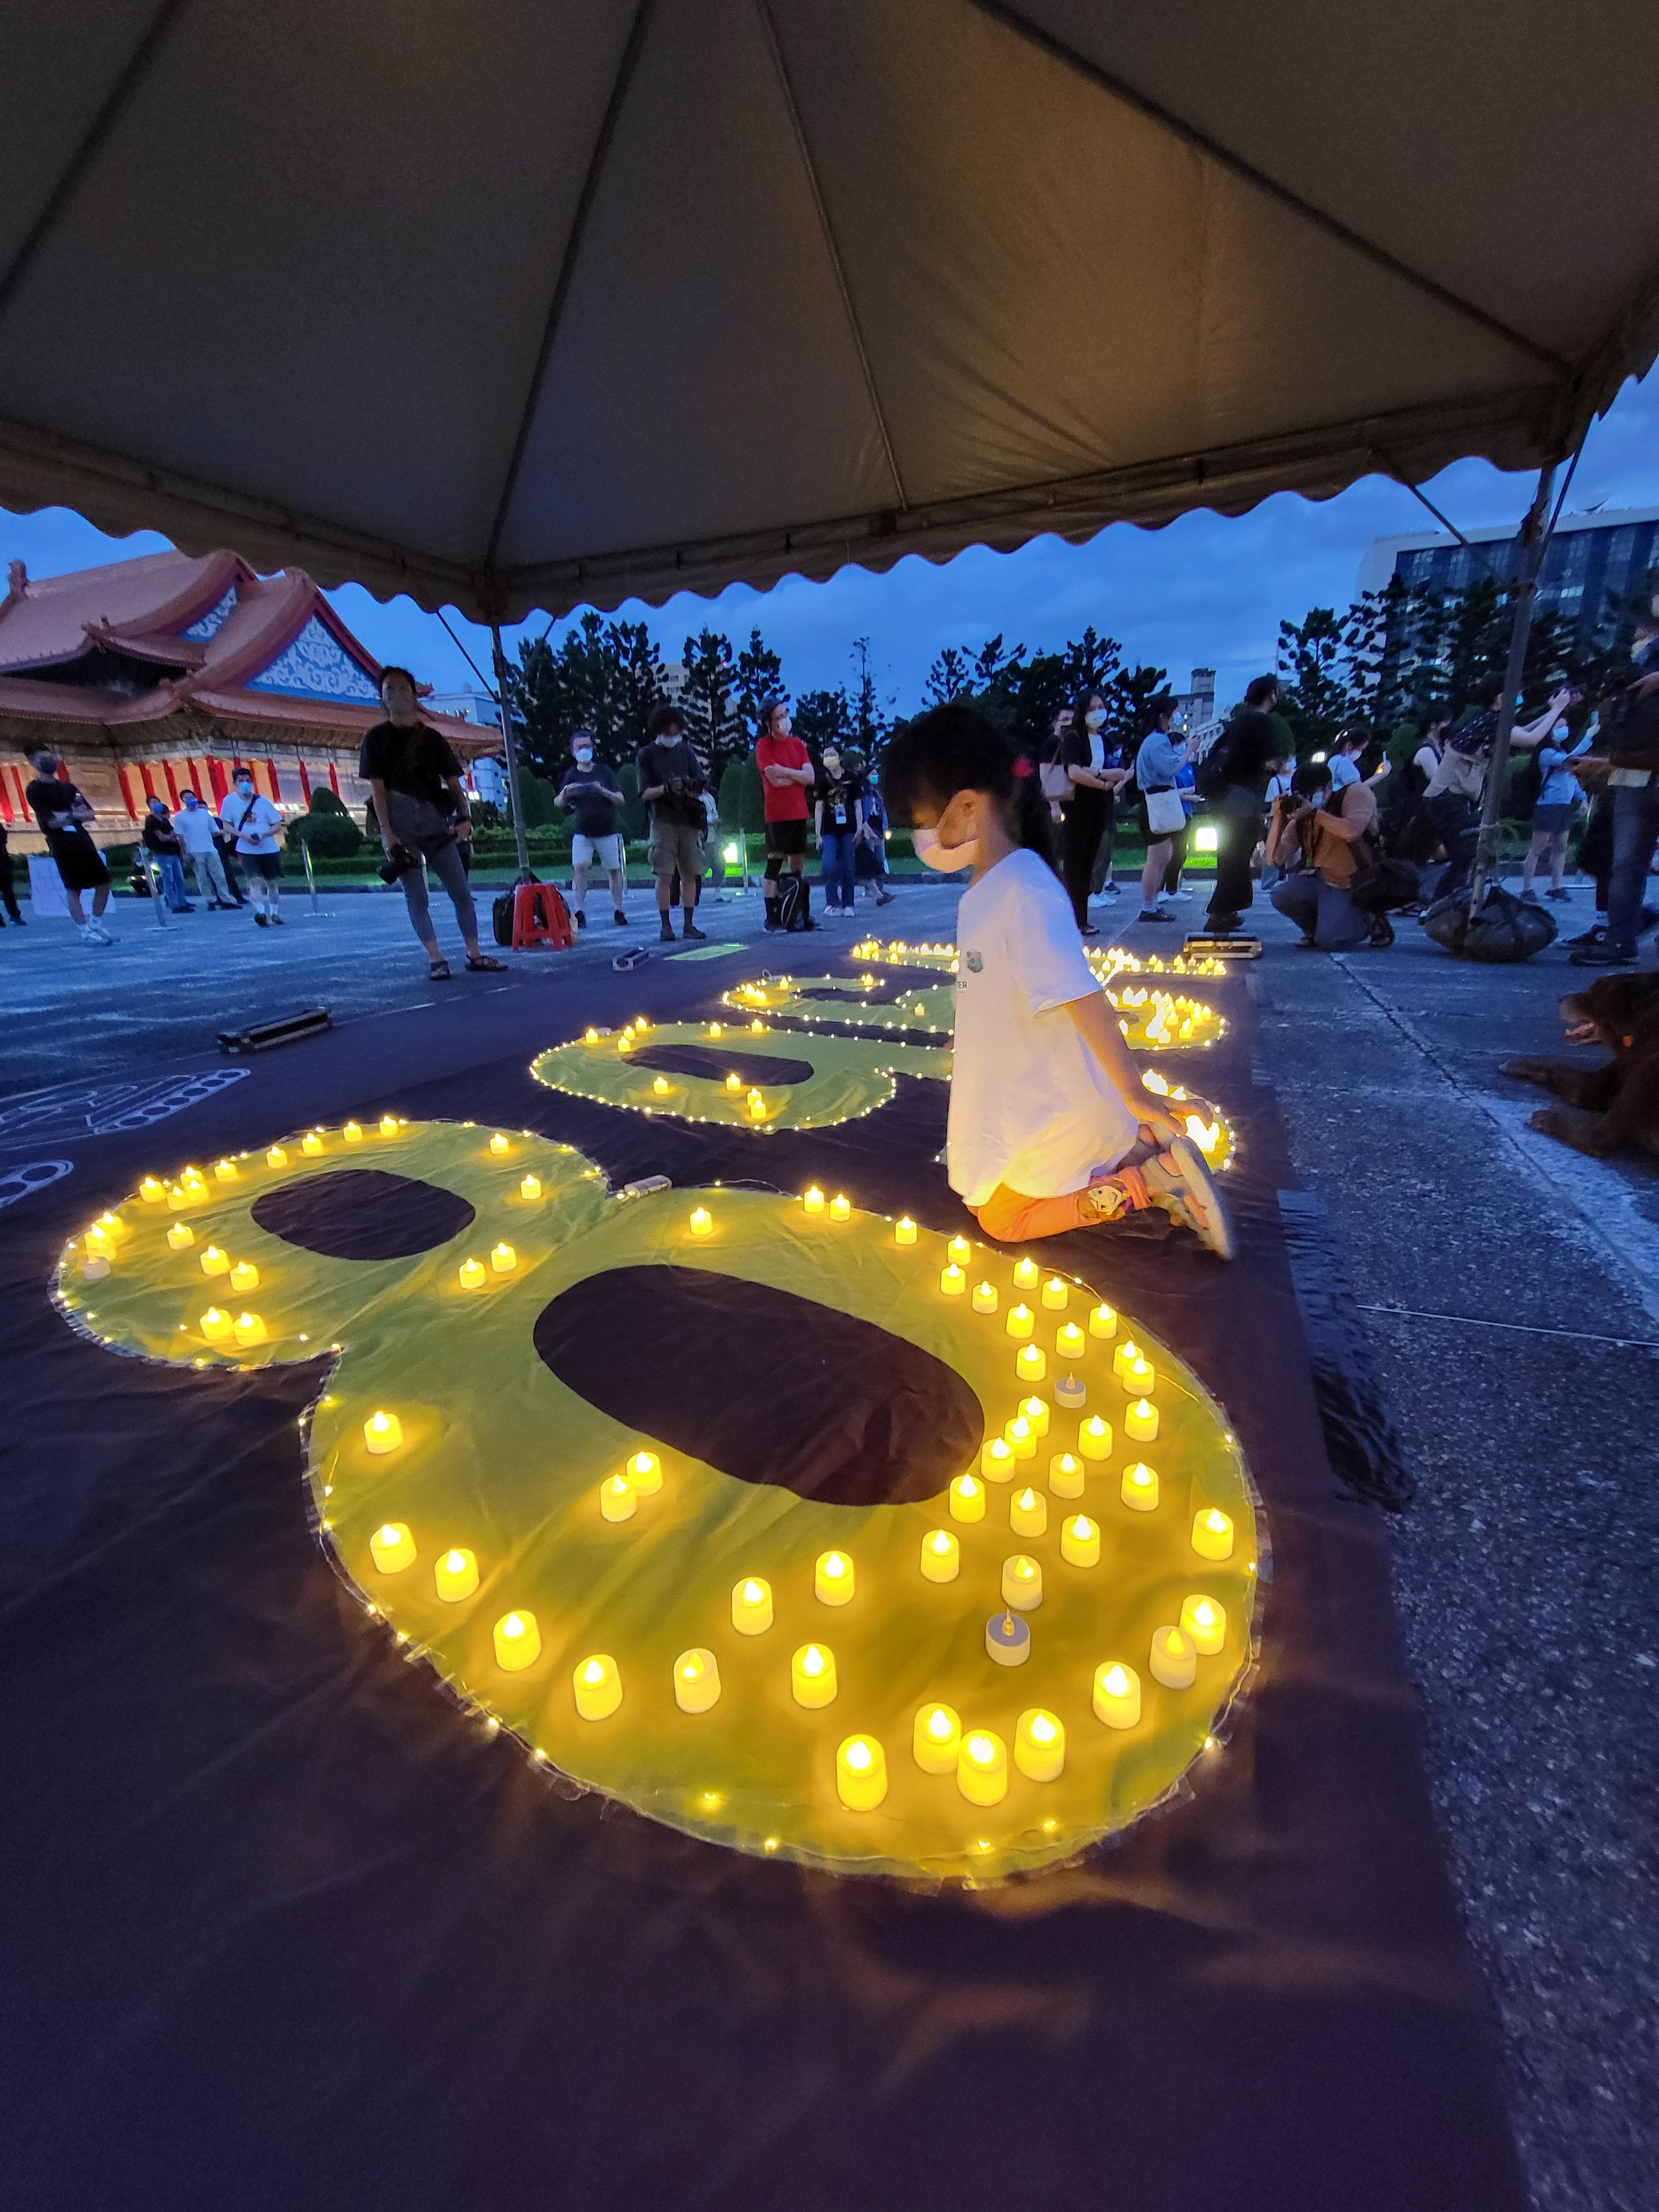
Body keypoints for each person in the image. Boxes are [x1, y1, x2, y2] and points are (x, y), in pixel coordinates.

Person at [881, 702, 1233, 1259]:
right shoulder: (987, 891)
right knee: (980, 1190)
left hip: (1043, 1094)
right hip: (1010, 1079)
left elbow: (1079, 992)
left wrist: (1135, 1091)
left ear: (968, 805)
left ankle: (1148, 1184)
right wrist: (973, 1032)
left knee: (1004, 1219)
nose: (918, 837)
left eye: (921, 820)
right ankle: (1136, 1145)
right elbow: (995, 981)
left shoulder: (1022, 889)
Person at [359, 666, 505, 977]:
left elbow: (455, 785)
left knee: (461, 891)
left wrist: (465, 819)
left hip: (434, 823)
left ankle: (474, 953)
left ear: (414, 694)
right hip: (400, 824)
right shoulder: (376, 739)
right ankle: (436, 958)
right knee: (417, 897)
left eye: (403, 689)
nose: (397, 695)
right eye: (390, 689)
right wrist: (387, 834)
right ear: (381, 698)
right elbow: (378, 791)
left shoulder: (432, 739)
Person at [1423, 684, 1574, 902]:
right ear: (1502, 698)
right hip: (1450, 797)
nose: (1521, 699)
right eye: (1518, 694)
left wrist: (1551, 711)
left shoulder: (1486, 719)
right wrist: (1556, 710)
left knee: (1472, 853)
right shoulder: (1492, 722)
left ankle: (1452, 903)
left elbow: (1525, 731)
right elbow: (1530, 740)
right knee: (1469, 854)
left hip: (1452, 797)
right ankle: (1443, 905)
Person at [1573, 585, 1659, 967]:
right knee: (1626, 864)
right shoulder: (1641, 665)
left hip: (1636, 775)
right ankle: (1620, 938)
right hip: (1633, 775)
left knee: (1628, 863)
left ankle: (1621, 939)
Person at [1202, 676, 1292, 932]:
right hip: (1241, 799)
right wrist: (1283, 767)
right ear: (1271, 695)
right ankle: (1221, 911)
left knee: (1230, 854)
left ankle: (1225, 910)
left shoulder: (1237, 723)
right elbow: (1269, 762)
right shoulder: (1261, 723)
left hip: (1224, 797)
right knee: (1238, 855)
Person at [1266, 761, 1385, 950]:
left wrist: (1315, 813)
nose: (1307, 800)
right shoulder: (1303, 815)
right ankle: (1318, 931)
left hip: (1352, 883)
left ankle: (1370, 922)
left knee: (1331, 942)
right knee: (1281, 895)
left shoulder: (1355, 794)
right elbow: (1275, 859)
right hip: (1320, 879)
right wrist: (1278, 817)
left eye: (1311, 794)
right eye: (1302, 796)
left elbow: (1351, 831)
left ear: (1328, 787)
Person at [1057, 690, 1129, 935]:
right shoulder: (1074, 738)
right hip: (1079, 808)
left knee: (1090, 864)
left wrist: (1097, 774)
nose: (1098, 712)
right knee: (1075, 864)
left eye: (1101, 706)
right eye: (1092, 708)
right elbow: (1074, 773)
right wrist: (1100, 779)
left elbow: (1120, 772)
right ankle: (1070, 919)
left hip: (1101, 807)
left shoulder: (1105, 740)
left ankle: (1082, 918)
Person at [24, 750, 113, 943]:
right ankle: (84, 930)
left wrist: (67, 815)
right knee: (74, 888)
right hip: (62, 843)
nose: (48, 760)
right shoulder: (35, 790)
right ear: (34, 764)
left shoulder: (68, 787)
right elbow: (52, 822)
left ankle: (95, 925)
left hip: (82, 839)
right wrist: (73, 814)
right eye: (42, 758)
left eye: (49, 756)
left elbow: (90, 813)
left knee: (104, 882)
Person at [637, 703, 708, 942]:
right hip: (663, 820)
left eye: (676, 731)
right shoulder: (647, 755)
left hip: (688, 819)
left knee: (691, 873)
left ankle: (689, 924)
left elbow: (699, 782)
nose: (673, 736)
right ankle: (665, 925)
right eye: (669, 732)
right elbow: (644, 793)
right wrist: (666, 788)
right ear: (660, 730)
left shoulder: (685, 751)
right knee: (664, 874)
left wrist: (689, 785)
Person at [755, 695, 816, 932]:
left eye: (785, 714)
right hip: (777, 814)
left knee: (797, 864)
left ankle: (798, 912)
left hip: (798, 811)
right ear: (769, 723)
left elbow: (809, 777)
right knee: (775, 864)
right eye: (778, 717)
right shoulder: (764, 747)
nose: (784, 720)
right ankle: (771, 916)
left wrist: (785, 772)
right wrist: (794, 775)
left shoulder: (798, 745)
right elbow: (773, 778)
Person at [557, 728, 628, 928]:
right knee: (579, 866)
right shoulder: (572, 774)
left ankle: (619, 909)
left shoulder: (604, 772)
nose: (584, 750)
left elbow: (621, 799)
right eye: (580, 747)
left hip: (607, 830)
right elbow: (558, 802)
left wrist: (603, 791)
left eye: (587, 746)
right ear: (573, 751)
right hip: (583, 831)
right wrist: (565, 793)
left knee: (614, 870)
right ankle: (579, 910)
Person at [1520, 721, 1592, 902]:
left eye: (1565, 726)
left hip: (1564, 806)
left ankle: (1556, 886)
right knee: (1538, 848)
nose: (1563, 729)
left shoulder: (1561, 753)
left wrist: (1582, 798)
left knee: (1561, 847)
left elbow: (1571, 778)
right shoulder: (1547, 754)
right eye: (1558, 726)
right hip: (1548, 806)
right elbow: (1571, 761)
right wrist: (1589, 736)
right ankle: (1527, 887)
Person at [1133, 698, 1189, 925]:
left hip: (1156, 802)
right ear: (1163, 716)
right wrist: (1189, 752)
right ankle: (1149, 906)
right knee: (1157, 857)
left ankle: (1152, 904)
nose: (1177, 717)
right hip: (1156, 803)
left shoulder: (1154, 741)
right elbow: (1169, 768)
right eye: (1174, 713)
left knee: (1162, 856)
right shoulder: (1157, 741)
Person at [218, 765, 288, 928]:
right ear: (235, 783)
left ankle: (275, 913)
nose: (245, 784)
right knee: (254, 881)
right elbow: (227, 825)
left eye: (248, 780)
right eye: (241, 781)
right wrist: (243, 836)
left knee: (271, 882)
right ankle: (261, 912)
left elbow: (277, 824)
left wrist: (264, 835)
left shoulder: (262, 801)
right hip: (246, 848)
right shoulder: (229, 802)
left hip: (268, 848)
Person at [815, 742, 864, 917]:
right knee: (829, 864)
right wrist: (818, 833)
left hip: (849, 828)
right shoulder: (822, 781)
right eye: (826, 755)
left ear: (839, 757)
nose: (828, 758)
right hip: (829, 830)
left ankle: (848, 903)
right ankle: (832, 902)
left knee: (849, 867)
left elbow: (858, 804)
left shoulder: (851, 778)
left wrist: (860, 827)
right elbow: (819, 807)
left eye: (831, 755)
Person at [172, 788, 235, 907]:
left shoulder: (205, 814)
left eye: (191, 797)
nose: (190, 800)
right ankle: (210, 901)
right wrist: (186, 854)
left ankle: (226, 900)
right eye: (186, 798)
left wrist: (228, 830)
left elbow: (215, 832)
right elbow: (180, 837)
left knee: (220, 876)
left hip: (210, 849)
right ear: (183, 801)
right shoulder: (180, 817)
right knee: (203, 878)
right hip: (194, 851)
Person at [140, 795, 194, 910]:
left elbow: (173, 834)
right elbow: (162, 838)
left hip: (173, 852)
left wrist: (171, 837)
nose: (156, 804)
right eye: (153, 803)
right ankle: (173, 903)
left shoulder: (164, 820)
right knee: (168, 879)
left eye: (158, 802)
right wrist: (170, 837)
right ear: (149, 805)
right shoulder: (151, 820)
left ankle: (182, 902)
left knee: (179, 879)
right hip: (162, 853)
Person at [854, 766, 896, 906]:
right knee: (870, 858)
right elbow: (863, 813)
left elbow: (882, 812)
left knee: (880, 859)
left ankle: (880, 888)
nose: (876, 777)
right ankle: (871, 889)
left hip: (878, 829)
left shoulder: (877, 793)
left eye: (877, 774)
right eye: (873, 774)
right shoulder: (864, 793)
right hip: (868, 829)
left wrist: (886, 829)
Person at [0, 816, 25, 926]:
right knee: (8, 891)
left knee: (8, 890)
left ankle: (14, 914)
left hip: (2, 861)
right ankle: (14, 915)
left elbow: (3, 837)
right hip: (2, 860)